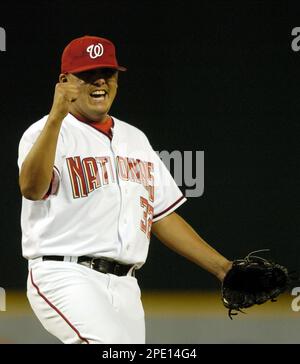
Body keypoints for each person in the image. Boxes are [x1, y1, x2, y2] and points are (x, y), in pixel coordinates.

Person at [18, 35, 232, 344]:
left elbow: (161, 216)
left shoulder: (136, 139)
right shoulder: (42, 132)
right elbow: (32, 188)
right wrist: (55, 117)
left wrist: (222, 268)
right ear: (64, 81)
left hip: (126, 286)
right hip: (65, 273)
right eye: (87, 74)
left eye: (108, 72)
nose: (100, 81)